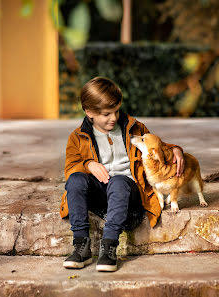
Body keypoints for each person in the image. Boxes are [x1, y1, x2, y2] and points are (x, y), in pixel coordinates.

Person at [59, 77, 185, 272]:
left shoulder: (134, 128)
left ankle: (109, 247)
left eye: (117, 111)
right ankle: (81, 246)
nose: (114, 118)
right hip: (101, 193)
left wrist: (176, 150)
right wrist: (88, 164)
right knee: (75, 179)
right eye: (106, 114)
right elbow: (70, 168)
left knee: (118, 181)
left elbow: (156, 146)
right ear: (89, 112)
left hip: (129, 192)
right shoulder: (77, 137)